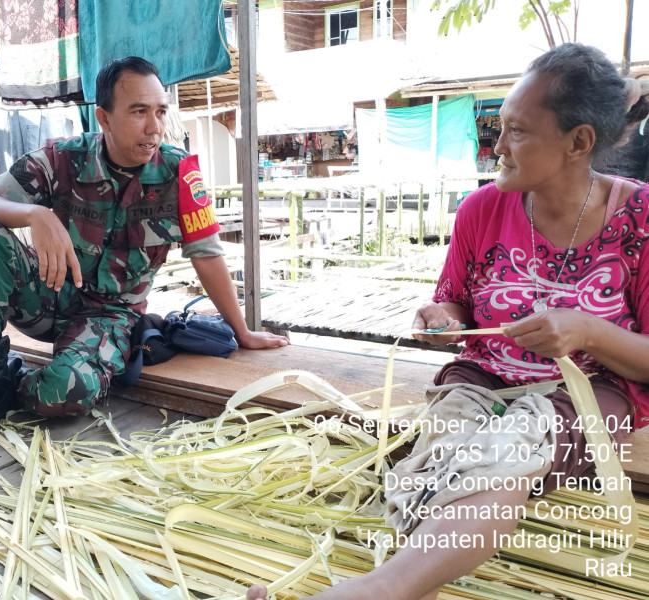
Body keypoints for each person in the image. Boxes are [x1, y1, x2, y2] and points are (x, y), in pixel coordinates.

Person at [247, 43, 649, 600]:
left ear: (578, 142)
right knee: (440, 449)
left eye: (517, 131)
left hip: (588, 389)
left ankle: (381, 589)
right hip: (484, 377)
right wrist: (443, 318)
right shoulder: (481, 210)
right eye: (500, 127)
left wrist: (587, 331)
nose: (497, 146)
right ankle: (412, 587)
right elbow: (456, 304)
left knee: (511, 449)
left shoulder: (639, 219)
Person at [0, 56, 289, 449]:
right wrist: (33, 214)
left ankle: (2, 378)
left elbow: (207, 255)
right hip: (47, 296)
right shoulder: (63, 159)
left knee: (62, 394)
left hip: (109, 318)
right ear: (104, 118)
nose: (154, 127)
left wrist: (242, 332)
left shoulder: (179, 173)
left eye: (160, 111)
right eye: (139, 112)